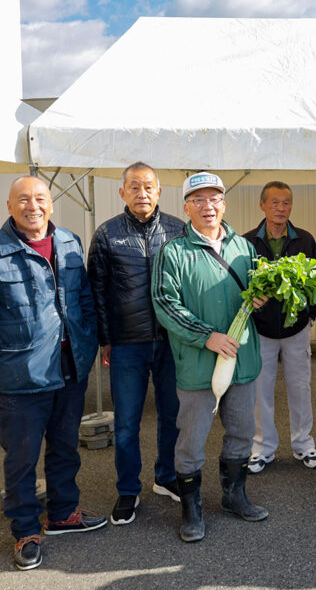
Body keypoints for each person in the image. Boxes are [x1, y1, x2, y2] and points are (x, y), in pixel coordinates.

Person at [152, 171, 268, 543]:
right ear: (186, 207)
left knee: (241, 432)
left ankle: (235, 496)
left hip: (243, 361)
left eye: (214, 198)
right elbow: (165, 305)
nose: (208, 206)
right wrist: (207, 337)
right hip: (199, 364)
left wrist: (262, 299)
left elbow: (255, 293)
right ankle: (191, 507)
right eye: (198, 200)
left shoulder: (243, 247)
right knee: (191, 439)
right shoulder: (174, 252)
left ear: (224, 203)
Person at [0, 176, 106, 570]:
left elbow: (84, 299)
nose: (33, 206)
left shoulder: (69, 242)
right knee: (22, 458)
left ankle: (63, 513)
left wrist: (90, 341)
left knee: (64, 447)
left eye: (40, 198)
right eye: (23, 199)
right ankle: (26, 529)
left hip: (71, 367)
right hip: (20, 374)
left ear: (51, 203)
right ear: (10, 206)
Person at [87, 162, 184, 526]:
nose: (142, 193)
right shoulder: (108, 233)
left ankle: (167, 475)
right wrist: (105, 338)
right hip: (126, 343)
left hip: (171, 339)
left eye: (148, 187)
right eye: (134, 187)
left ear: (159, 191)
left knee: (172, 414)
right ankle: (128, 490)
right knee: (127, 421)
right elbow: (95, 288)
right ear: (122, 192)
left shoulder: (177, 230)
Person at [243, 181, 316, 474]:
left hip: (296, 329)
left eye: (286, 203)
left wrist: (310, 316)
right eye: (275, 203)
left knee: (300, 387)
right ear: (262, 205)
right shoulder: (247, 242)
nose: (281, 208)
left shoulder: (304, 239)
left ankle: (303, 444)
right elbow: (240, 285)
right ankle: (263, 447)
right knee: (260, 388)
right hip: (261, 330)